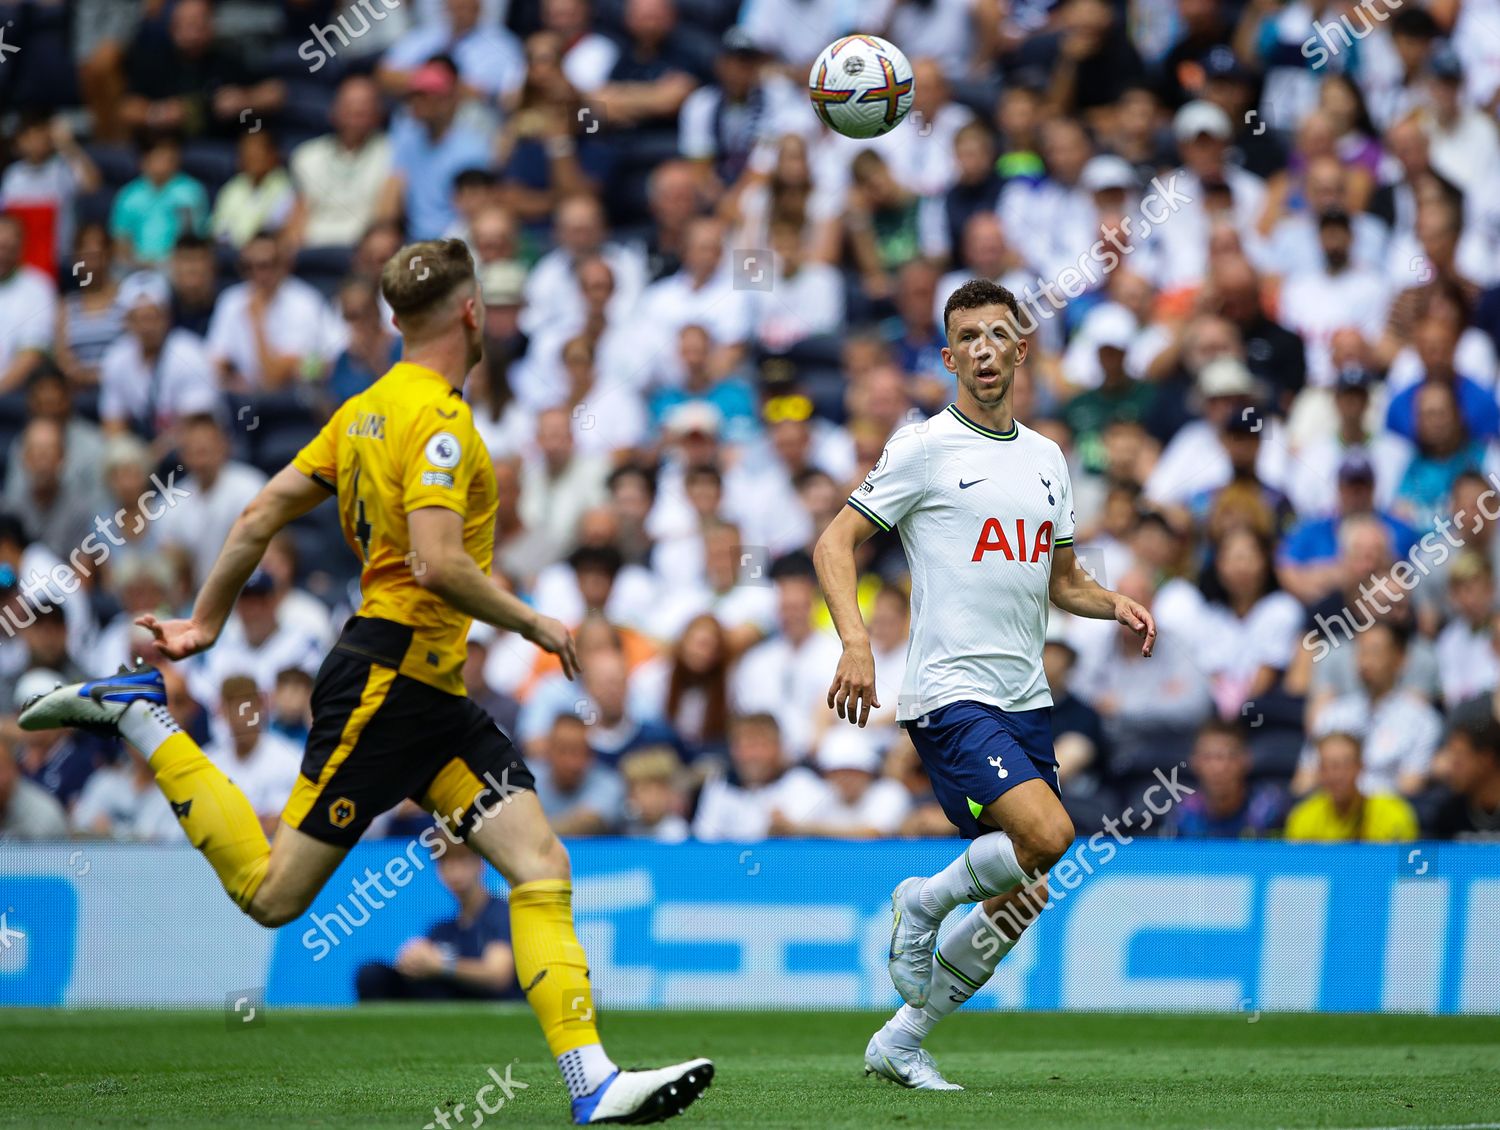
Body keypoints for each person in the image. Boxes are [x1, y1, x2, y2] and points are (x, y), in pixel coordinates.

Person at [20, 237, 712, 1125]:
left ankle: (593, 1084)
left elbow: (262, 509)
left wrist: (206, 620)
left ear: (393, 321)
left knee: (541, 863)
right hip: (388, 684)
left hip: (431, 694)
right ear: (471, 313)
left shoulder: (362, 411)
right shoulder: (440, 425)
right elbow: (434, 564)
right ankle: (144, 714)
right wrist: (534, 619)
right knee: (273, 897)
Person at [814, 278, 1156, 1089]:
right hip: (950, 694)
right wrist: (856, 642)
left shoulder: (1046, 460)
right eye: (966, 337)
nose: (983, 349)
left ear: (1021, 347)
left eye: (997, 334)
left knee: (1026, 891)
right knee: (1051, 838)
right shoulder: (924, 447)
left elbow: (1061, 581)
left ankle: (902, 1039)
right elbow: (833, 544)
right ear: (948, 357)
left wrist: (1115, 603)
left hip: (1024, 698)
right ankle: (924, 902)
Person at [356, 841, 522, 1001]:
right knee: (373, 975)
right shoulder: (442, 929)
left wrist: (441, 966)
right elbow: (427, 966)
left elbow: (498, 976)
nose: (455, 872)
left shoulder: (501, 913)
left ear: (480, 864)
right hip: (449, 1001)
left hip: (489, 1006)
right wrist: (413, 961)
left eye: (462, 861)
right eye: (445, 863)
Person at [1284, 732, 1418, 843]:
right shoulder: (1303, 817)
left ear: (1360, 767)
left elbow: (1403, 869)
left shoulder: (1392, 814)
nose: (1335, 775)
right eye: (1326, 767)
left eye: (1344, 765)